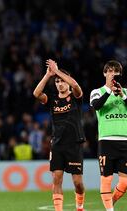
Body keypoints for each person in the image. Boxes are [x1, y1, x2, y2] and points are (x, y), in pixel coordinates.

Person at [33, 59, 85, 211]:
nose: (60, 83)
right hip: (57, 145)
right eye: (57, 81)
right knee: (57, 179)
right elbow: (36, 93)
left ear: (67, 82)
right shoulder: (53, 100)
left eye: (62, 81)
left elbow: (76, 85)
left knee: (78, 183)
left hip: (74, 144)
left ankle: (79, 206)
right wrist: (48, 75)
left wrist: (57, 72)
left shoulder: (76, 97)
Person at [90, 60, 127, 211]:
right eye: (109, 70)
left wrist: (122, 95)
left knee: (125, 182)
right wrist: (110, 91)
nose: (112, 73)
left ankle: (110, 202)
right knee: (106, 179)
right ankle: (109, 210)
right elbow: (96, 105)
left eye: (115, 71)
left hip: (124, 141)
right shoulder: (97, 91)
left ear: (120, 75)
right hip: (106, 140)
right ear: (105, 73)